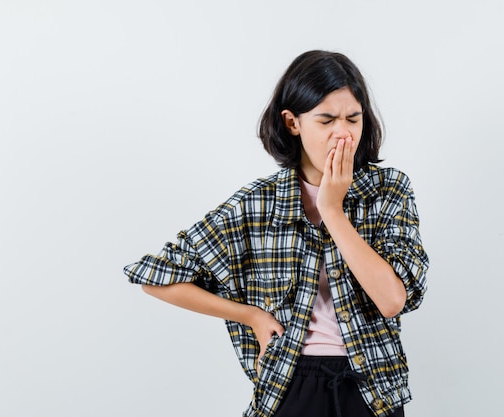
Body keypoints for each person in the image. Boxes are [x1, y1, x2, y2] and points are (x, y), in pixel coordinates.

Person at [123, 50, 429, 417]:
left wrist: (332, 210)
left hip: (371, 389)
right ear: (292, 123)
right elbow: (154, 277)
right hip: (291, 384)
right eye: (326, 120)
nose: (343, 133)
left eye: (353, 118)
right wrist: (249, 315)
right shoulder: (258, 203)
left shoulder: (388, 190)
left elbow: (393, 300)